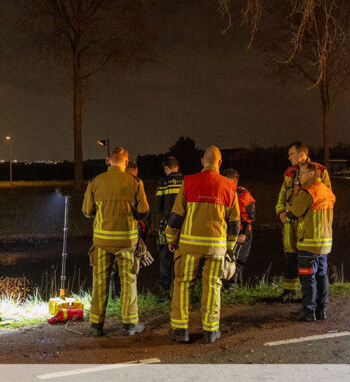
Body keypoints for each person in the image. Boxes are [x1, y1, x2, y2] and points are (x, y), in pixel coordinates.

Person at [166, 146, 240, 344]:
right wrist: (230, 246)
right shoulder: (229, 186)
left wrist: (171, 239)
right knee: (213, 286)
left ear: (202, 161)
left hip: (189, 246)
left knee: (183, 285)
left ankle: (181, 330)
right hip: (216, 247)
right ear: (220, 162)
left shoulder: (188, 182)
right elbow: (235, 223)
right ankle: (211, 331)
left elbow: (176, 216)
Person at [82, 146, 150, 336]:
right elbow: (143, 212)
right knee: (128, 281)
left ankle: (96, 325)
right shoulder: (135, 182)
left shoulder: (96, 181)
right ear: (126, 162)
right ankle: (130, 325)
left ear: (108, 161)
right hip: (127, 241)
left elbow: (87, 212)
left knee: (100, 281)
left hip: (102, 241)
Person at [275, 142, 330, 302]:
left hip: (308, 222)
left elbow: (324, 195)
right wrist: (281, 212)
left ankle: (311, 298)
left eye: (291, 153)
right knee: (290, 256)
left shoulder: (320, 171)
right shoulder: (289, 172)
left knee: (310, 261)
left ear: (301, 155)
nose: (289, 157)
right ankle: (289, 291)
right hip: (291, 221)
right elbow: (283, 194)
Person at [285, 161, 336, 322]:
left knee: (308, 278)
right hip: (325, 243)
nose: (299, 176)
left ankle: (308, 310)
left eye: (302, 173)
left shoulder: (308, 192)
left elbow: (293, 213)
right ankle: (321, 310)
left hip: (309, 242)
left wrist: (289, 207)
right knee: (322, 276)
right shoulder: (327, 191)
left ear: (312, 174)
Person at [221, 168, 255, 290]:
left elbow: (249, 216)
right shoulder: (228, 193)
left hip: (241, 233)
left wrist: (243, 233)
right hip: (231, 232)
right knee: (231, 260)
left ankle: (232, 287)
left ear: (234, 181)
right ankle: (236, 287)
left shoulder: (242, 194)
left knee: (236, 261)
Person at [155, 156, 183, 293]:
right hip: (185, 227)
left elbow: (157, 206)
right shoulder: (186, 181)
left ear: (166, 168)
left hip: (167, 226)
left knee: (165, 259)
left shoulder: (163, 182)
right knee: (183, 259)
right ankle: (181, 290)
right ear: (177, 167)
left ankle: (165, 291)